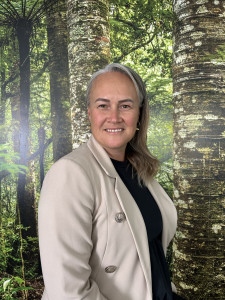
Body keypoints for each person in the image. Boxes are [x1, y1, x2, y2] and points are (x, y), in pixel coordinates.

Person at [38, 63, 183, 300]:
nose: (114, 117)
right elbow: (67, 292)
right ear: (89, 113)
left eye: (125, 105)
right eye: (103, 105)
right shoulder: (70, 173)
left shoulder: (141, 172)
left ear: (139, 113)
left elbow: (152, 255)